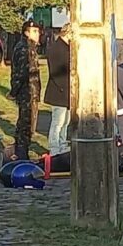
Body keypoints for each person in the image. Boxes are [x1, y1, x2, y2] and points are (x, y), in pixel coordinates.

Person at [9, 19, 42, 160]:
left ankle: (22, 153)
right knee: (25, 125)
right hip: (26, 92)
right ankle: (21, 156)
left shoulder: (31, 47)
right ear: (26, 32)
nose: (37, 34)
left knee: (28, 124)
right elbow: (21, 73)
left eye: (38, 31)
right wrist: (14, 91)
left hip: (31, 91)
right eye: (34, 31)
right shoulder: (24, 48)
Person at [44, 23, 71, 155]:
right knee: (58, 121)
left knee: (66, 121)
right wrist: (64, 87)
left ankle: (62, 142)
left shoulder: (66, 48)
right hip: (59, 91)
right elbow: (55, 72)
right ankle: (54, 146)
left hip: (66, 91)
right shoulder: (57, 48)